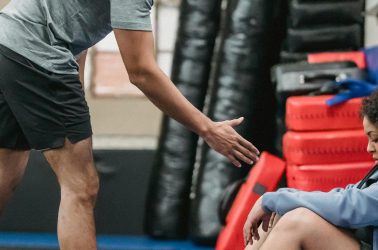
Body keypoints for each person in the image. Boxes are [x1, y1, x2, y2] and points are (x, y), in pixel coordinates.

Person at [0, 1, 260, 249]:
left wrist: (75, 92)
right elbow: (141, 71)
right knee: (81, 185)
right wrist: (207, 128)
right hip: (37, 52)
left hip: (7, 39)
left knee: (6, 169)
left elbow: (73, 24)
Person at [243, 76, 378, 250]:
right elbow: (352, 194)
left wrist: (271, 199)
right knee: (283, 212)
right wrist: (278, 201)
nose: (369, 148)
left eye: (375, 139)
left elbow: (352, 206)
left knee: (298, 223)